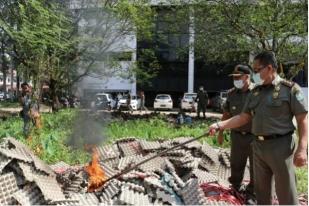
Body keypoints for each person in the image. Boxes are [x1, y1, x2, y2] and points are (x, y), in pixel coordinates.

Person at [209, 51, 307, 205]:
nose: (253, 74)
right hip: (258, 147)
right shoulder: (255, 93)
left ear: (269, 68)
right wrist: (219, 125)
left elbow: (303, 120)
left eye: (256, 70)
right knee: (262, 194)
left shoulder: (290, 89)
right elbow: (243, 117)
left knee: (286, 194)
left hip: (281, 147)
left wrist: (302, 149)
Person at [217, 65, 255, 202]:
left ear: (247, 77)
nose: (235, 80)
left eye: (238, 77)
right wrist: (220, 132)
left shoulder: (257, 92)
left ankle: (252, 194)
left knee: (256, 167)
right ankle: (236, 188)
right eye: (234, 78)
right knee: (236, 164)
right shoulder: (232, 94)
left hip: (254, 136)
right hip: (237, 136)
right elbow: (226, 114)